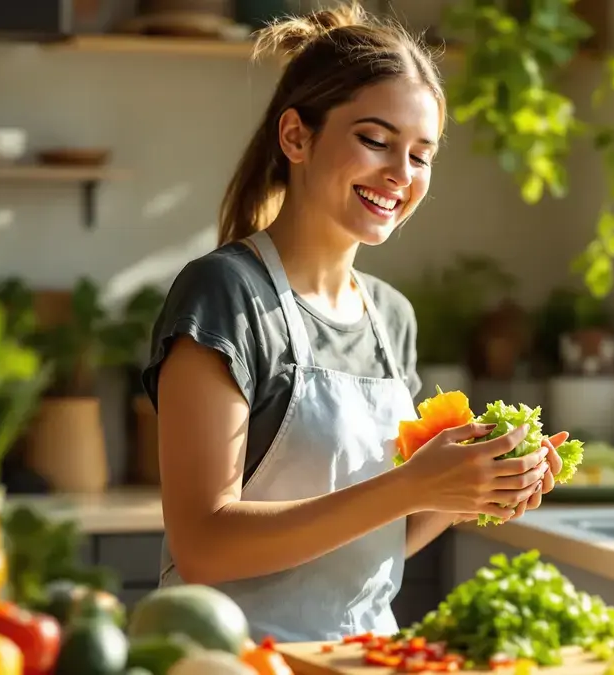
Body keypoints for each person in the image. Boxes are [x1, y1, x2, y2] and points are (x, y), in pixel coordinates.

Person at [140, 2, 565, 644]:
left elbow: (380, 540)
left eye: (421, 155)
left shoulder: (392, 316)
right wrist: (413, 484)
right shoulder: (225, 293)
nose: (400, 174)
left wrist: (468, 491)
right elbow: (205, 544)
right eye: (375, 140)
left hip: (358, 657)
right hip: (228, 661)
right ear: (296, 137)